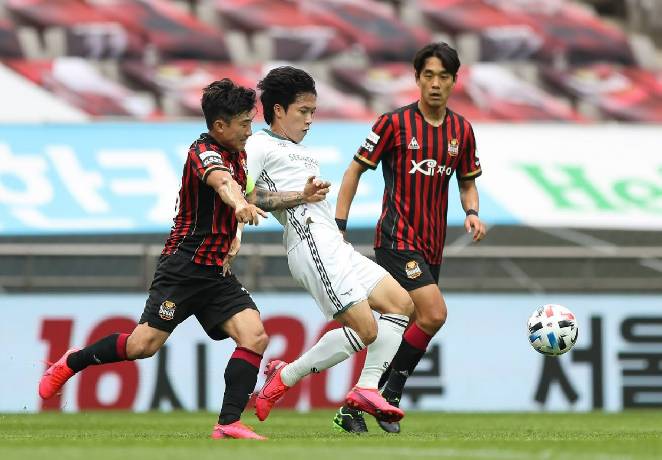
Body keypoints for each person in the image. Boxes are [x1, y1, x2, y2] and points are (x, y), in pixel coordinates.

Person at [38, 79, 330, 441]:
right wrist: (239, 204)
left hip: (217, 272)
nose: (249, 130)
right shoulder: (203, 152)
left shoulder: (239, 153)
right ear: (220, 126)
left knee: (255, 336)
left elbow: (258, 195)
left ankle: (227, 424)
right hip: (184, 266)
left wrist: (299, 195)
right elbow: (224, 185)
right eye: (244, 123)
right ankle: (72, 361)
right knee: (142, 346)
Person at [246, 66, 414, 429]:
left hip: (333, 245)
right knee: (366, 329)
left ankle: (366, 388)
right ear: (278, 110)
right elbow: (247, 195)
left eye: (313, 112)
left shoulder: (303, 152)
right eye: (302, 112)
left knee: (402, 304)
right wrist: (299, 195)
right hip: (308, 244)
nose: (309, 120)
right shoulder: (257, 145)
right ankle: (285, 377)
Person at [333, 42, 487, 433]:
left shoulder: (461, 131)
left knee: (404, 323)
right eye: (428, 75)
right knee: (434, 313)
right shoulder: (393, 124)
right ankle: (392, 392)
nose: (436, 84)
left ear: (455, 81)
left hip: (432, 245)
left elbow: (468, 183)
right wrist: (338, 225)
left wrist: (472, 213)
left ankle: (358, 402)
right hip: (397, 239)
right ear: (417, 78)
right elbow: (353, 172)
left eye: (444, 77)